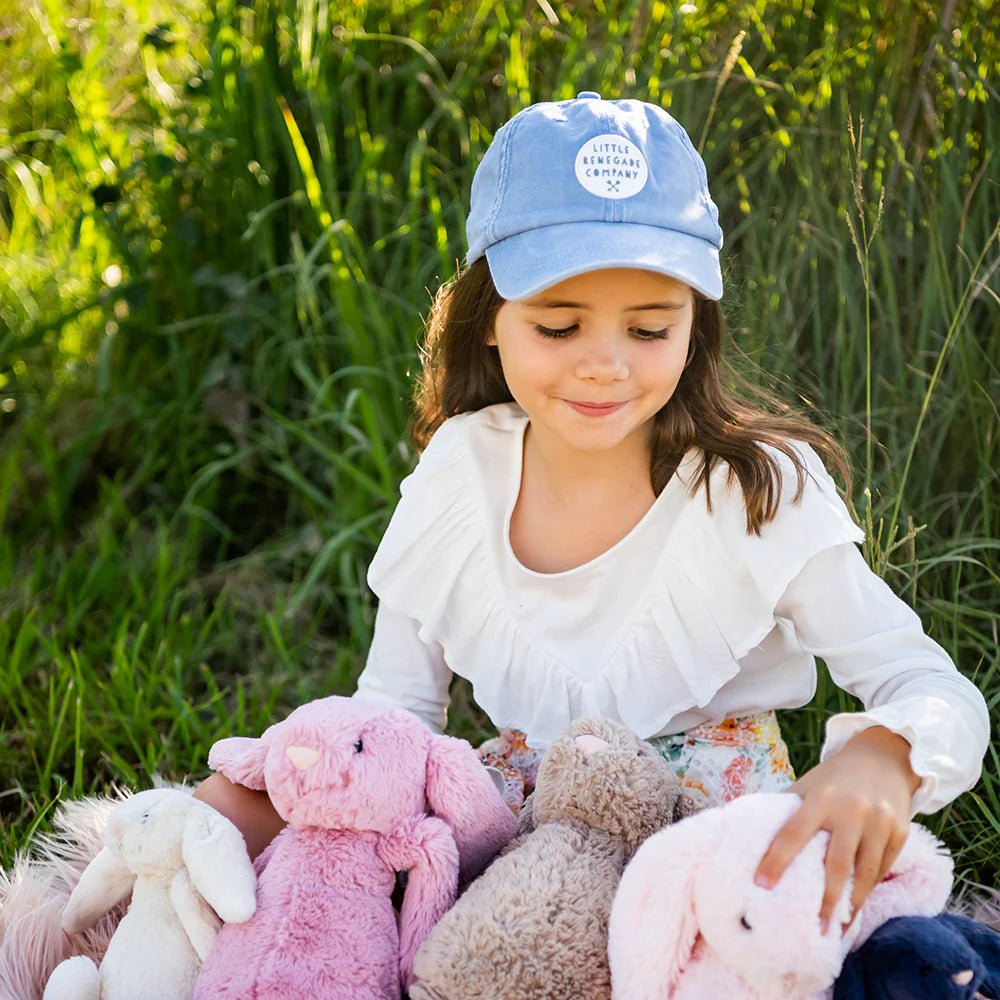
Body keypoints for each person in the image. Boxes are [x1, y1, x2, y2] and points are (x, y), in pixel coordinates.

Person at [196, 92, 989, 934]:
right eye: (559, 325)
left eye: (649, 329)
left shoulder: (755, 490)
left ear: (696, 324)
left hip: (713, 865)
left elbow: (929, 686)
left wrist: (884, 756)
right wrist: (285, 790)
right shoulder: (461, 475)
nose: (605, 366)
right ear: (491, 320)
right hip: (521, 855)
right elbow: (398, 710)